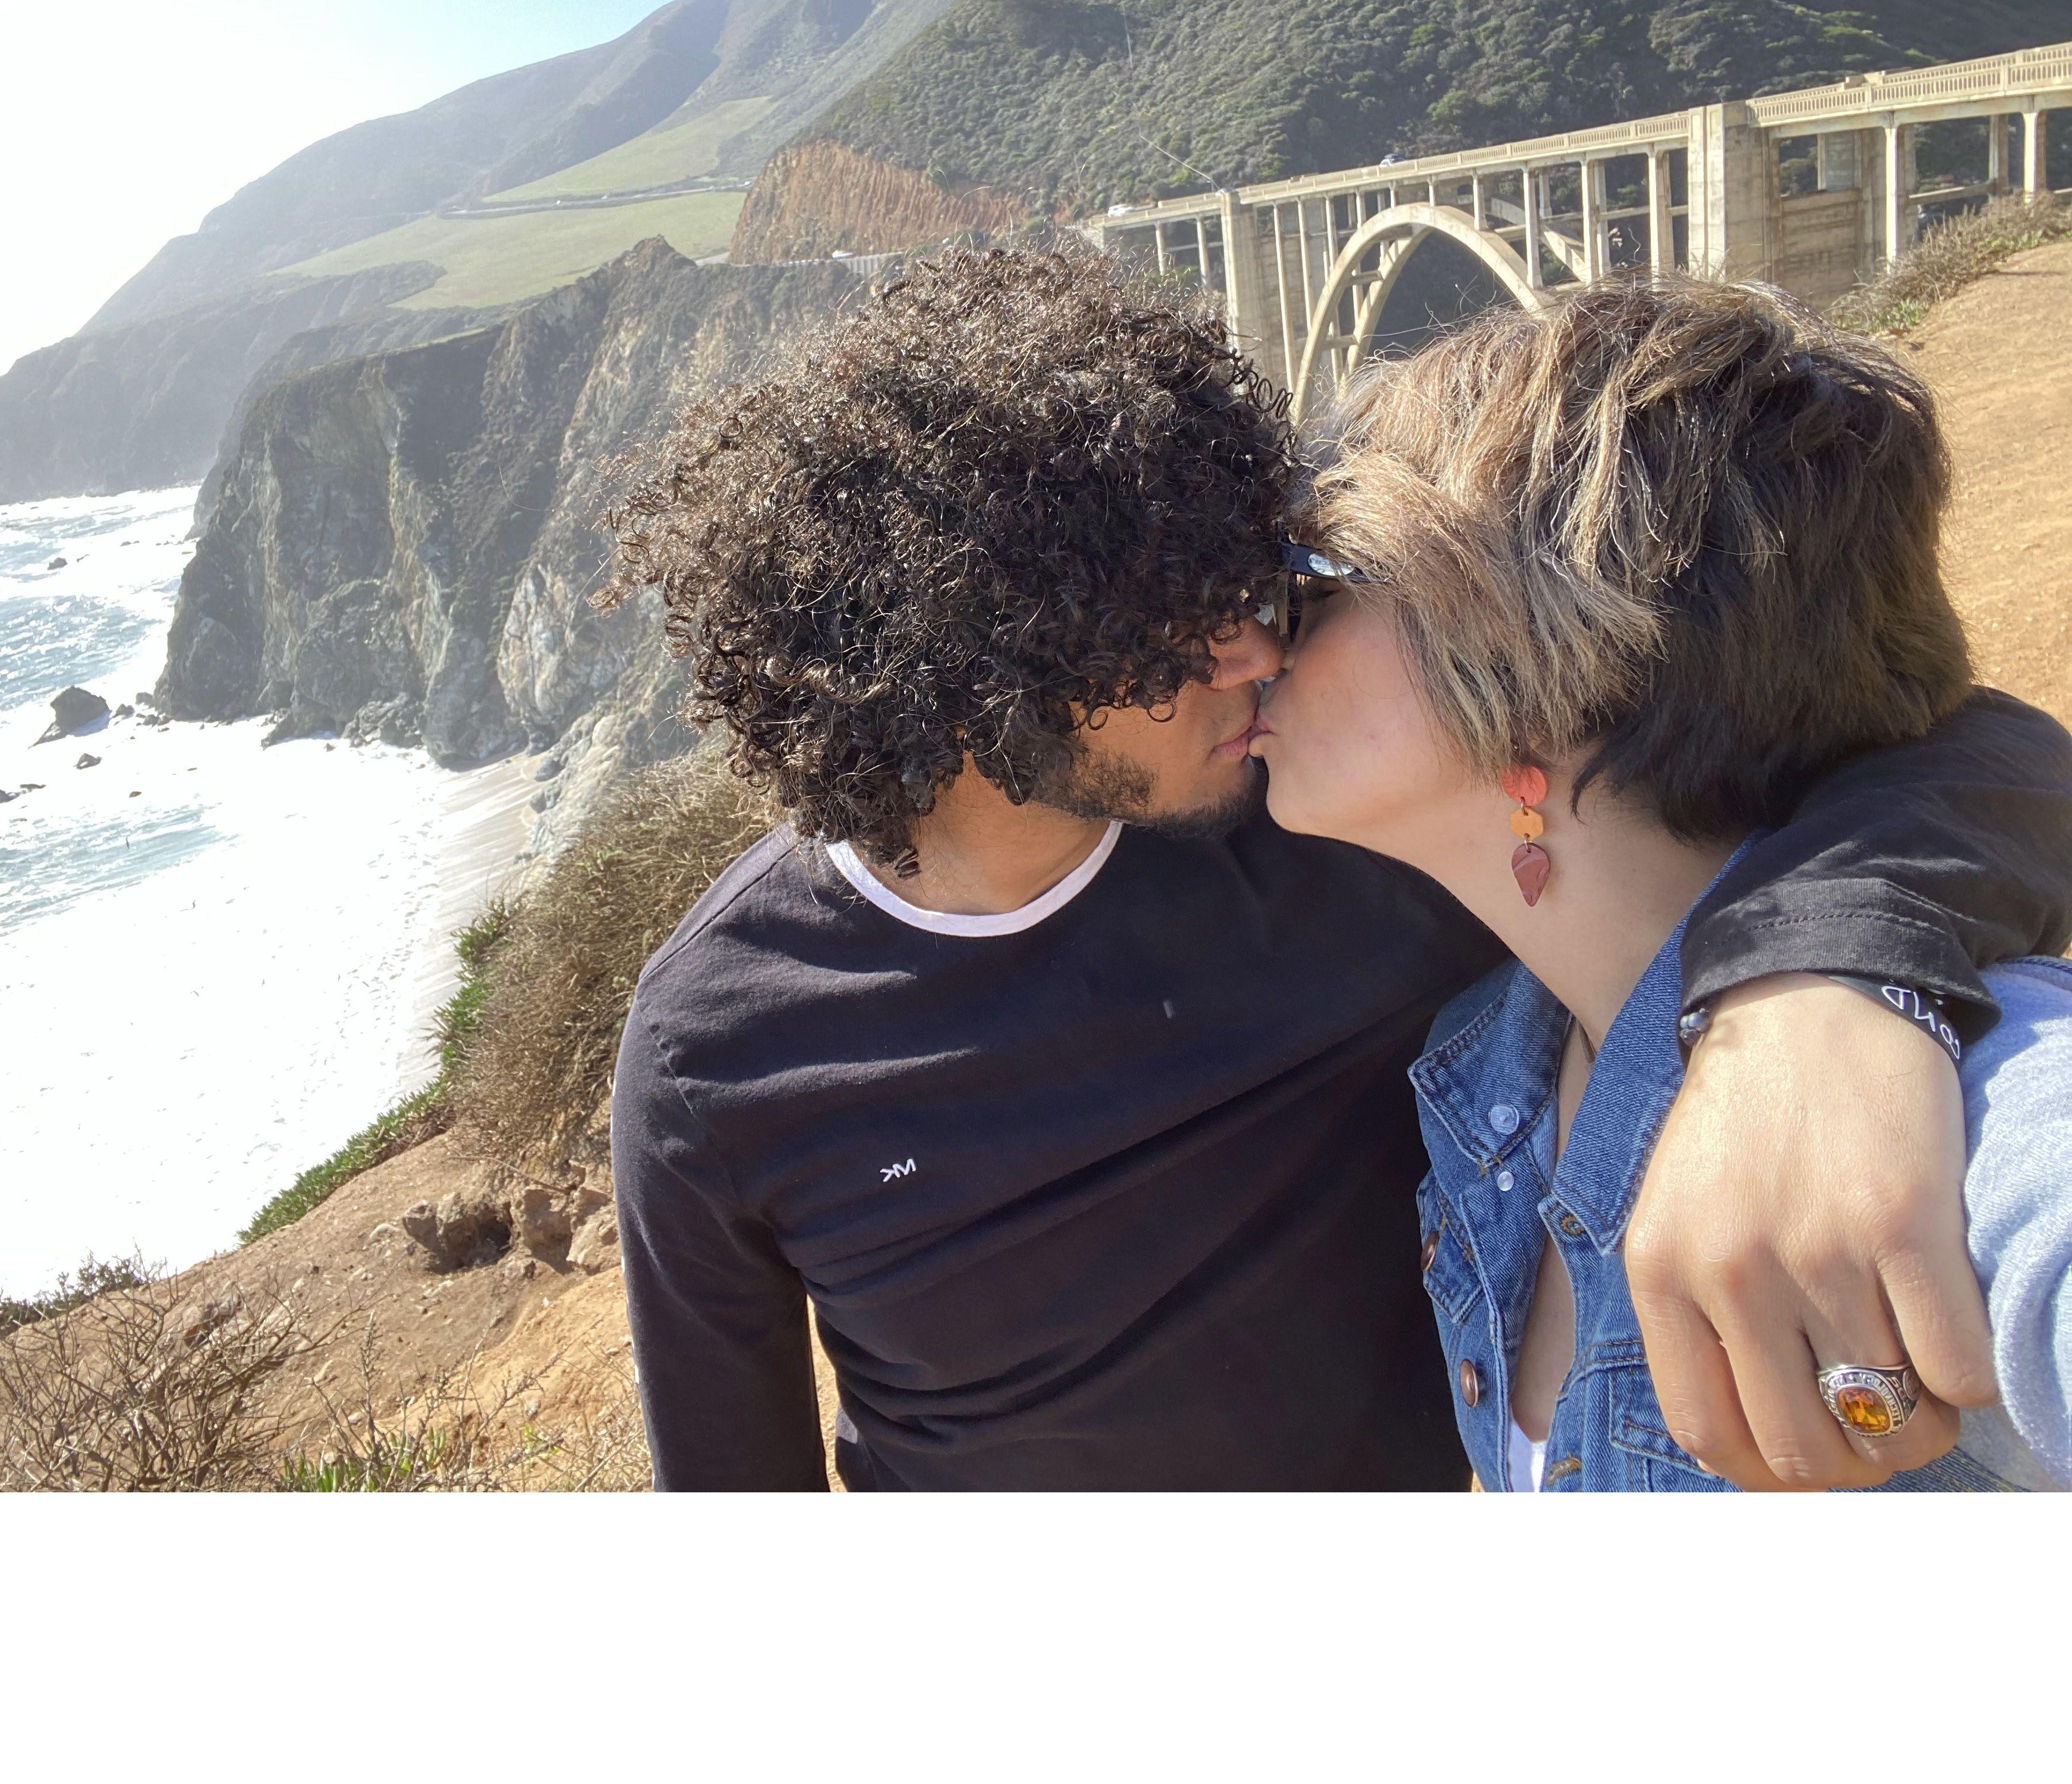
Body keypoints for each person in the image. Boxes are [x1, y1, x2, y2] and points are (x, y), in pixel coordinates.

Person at [602, 246, 2072, 1491]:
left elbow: (1905, 733)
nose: (1254, 646)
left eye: (1266, 585)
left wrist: (1809, 988)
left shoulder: (1332, 828)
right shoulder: (722, 1048)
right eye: (1148, 624)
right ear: (968, 666)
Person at [1257, 273, 2072, 1489]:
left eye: (1314, 586)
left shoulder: (1941, 1106)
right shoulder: (1493, 1077)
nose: (1255, 642)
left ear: (1531, 660)